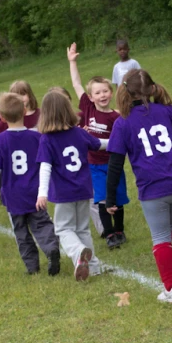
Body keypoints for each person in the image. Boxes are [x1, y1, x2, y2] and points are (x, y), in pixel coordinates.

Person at [105, 69, 172, 303]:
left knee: (161, 237)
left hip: (153, 189)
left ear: (124, 91)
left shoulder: (122, 123)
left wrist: (110, 197)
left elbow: (115, 164)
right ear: (152, 89)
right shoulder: (165, 111)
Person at [0, 93, 61, 275]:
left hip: (12, 194)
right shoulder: (36, 137)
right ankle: (51, 248)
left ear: (1, 117)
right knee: (41, 224)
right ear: (25, 111)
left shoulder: (0, 140)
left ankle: (32, 267)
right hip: (35, 192)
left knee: (21, 232)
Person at [36, 91, 107, 281]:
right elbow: (98, 144)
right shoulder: (79, 133)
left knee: (63, 229)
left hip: (63, 192)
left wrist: (41, 193)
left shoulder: (46, 139)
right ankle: (93, 266)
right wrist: (118, 142)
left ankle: (78, 253)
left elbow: (45, 167)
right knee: (82, 228)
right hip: (84, 188)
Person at [68, 42, 130, 249]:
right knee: (101, 199)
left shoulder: (116, 117)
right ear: (91, 96)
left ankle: (120, 230)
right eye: (97, 93)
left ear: (111, 93)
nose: (102, 95)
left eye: (105, 91)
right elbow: (76, 84)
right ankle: (110, 233)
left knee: (118, 197)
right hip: (93, 164)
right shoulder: (87, 107)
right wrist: (72, 62)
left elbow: (121, 141)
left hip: (113, 164)